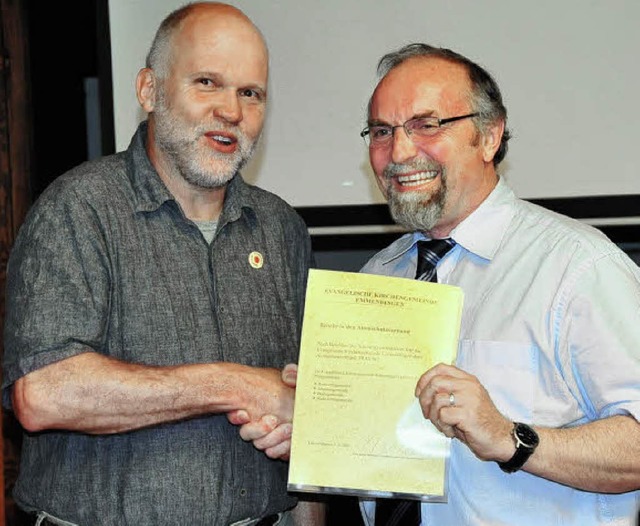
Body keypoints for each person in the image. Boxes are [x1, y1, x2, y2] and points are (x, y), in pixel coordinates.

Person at [2, 2, 323, 525]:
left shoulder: (282, 229)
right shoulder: (78, 210)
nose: (232, 111)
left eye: (250, 93)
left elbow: (306, 418)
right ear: (149, 90)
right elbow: (43, 393)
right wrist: (234, 384)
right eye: (207, 83)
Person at [354, 43, 640, 524]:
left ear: (489, 137)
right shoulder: (376, 278)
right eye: (382, 131)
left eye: (427, 125)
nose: (399, 151)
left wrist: (510, 437)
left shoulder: (577, 267)